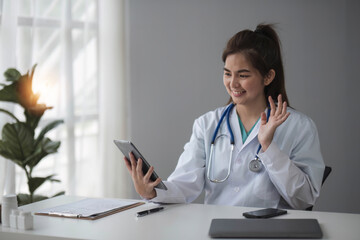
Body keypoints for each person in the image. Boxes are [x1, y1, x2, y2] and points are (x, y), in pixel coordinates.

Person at [124, 24, 325, 210]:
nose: (233, 84)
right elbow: (184, 185)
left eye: (243, 75)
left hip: (270, 231)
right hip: (217, 229)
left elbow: (304, 199)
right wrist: (151, 191)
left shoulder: (299, 127)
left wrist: (269, 147)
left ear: (268, 77)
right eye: (228, 73)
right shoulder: (207, 124)